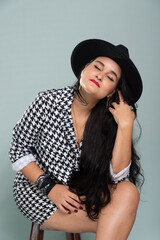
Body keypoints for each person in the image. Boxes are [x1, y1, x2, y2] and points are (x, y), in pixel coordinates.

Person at [9, 39, 144, 239]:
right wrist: (51, 188)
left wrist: (125, 125)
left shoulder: (111, 121)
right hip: (38, 191)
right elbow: (18, 148)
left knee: (128, 192)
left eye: (110, 77)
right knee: (117, 220)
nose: (100, 75)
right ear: (84, 69)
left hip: (82, 194)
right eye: (97, 67)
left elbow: (117, 177)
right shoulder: (47, 102)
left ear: (112, 92)